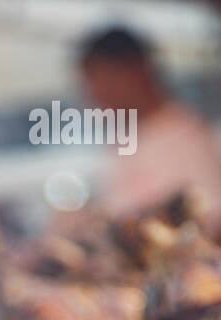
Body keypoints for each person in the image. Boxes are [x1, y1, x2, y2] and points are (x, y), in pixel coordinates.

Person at [77, 26, 221, 230]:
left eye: (103, 79)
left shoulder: (186, 137)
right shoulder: (126, 139)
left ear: (138, 70)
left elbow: (213, 224)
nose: (95, 93)